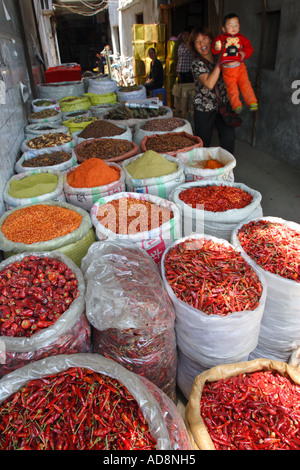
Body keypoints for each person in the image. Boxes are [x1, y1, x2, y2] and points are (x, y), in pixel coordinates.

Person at [188, 26, 236, 154]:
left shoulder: (220, 58)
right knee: (202, 143)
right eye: (197, 42)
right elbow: (209, 84)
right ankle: (201, 172)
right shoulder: (197, 64)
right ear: (194, 46)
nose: (202, 44)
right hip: (204, 107)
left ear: (211, 40)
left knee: (229, 138)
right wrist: (221, 60)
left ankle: (226, 170)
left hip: (222, 105)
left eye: (204, 38)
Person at [211, 13, 258, 114]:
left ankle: (252, 102)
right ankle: (236, 105)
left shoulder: (242, 38)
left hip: (240, 67)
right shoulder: (221, 38)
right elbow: (215, 50)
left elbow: (249, 48)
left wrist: (244, 53)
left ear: (239, 26)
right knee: (232, 88)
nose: (233, 27)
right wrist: (217, 47)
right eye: (230, 25)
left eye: (236, 25)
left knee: (245, 85)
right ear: (223, 28)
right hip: (227, 69)